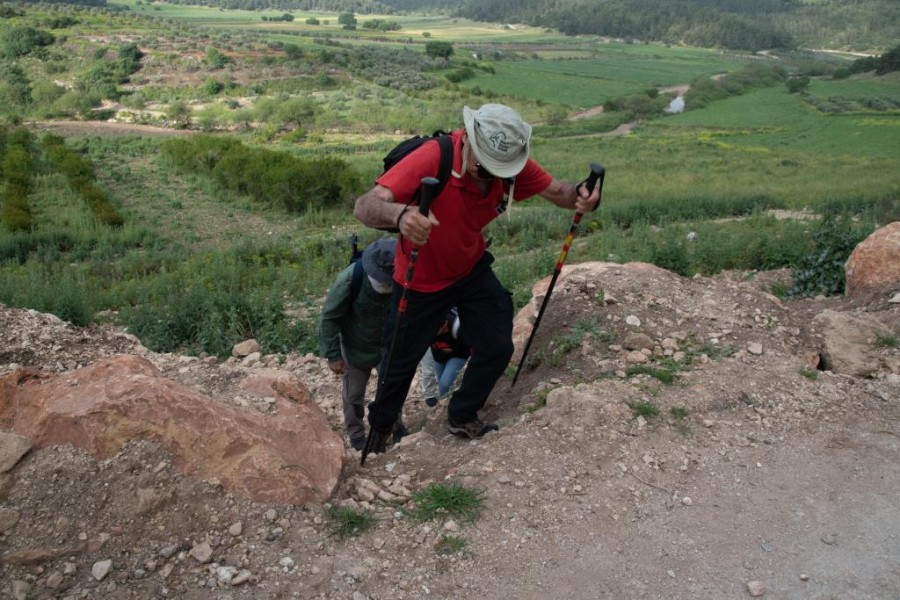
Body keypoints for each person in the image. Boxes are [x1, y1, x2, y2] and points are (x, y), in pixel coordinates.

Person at [353, 102, 600, 452]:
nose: (489, 175)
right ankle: (380, 430)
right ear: (466, 137)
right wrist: (401, 215)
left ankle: (462, 413)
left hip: (469, 267)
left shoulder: (507, 166)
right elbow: (365, 206)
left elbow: (559, 192)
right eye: (483, 166)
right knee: (398, 364)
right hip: (419, 278)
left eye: (499, 170)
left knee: (497, 345)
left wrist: (582, 195)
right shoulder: (433, 158)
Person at [317, 238, 398, 451]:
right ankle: (357, 435)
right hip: (355, 347)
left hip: (387, 345)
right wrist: (333, 355)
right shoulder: (350, 279)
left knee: (393, 387)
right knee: (353, 396)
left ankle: (395, 427)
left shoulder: (404, 275)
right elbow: (329, 317)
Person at [420, 308, 470, 406]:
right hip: (439, 357)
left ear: (445, 324)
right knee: (442, 386)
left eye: (437, 331)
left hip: (458, 355)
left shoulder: (457, 327)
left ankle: (448, 408)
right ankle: (446, 404)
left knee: (445, 384)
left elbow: (472, 344)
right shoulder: (427, 329)